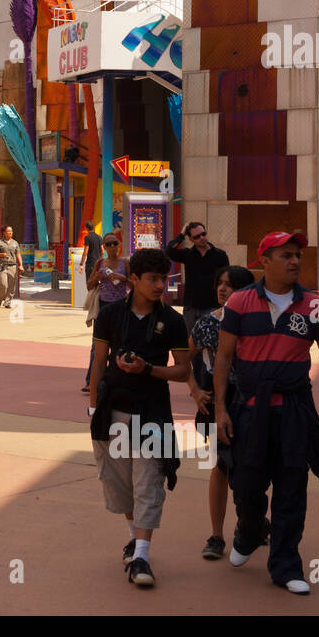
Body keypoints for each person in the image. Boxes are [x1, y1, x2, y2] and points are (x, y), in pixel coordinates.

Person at [214, 231, 319, 596]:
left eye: (297, 255)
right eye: (286, 254)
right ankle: (249, 530)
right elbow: (224, 357)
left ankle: (286, 565)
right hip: (249, 410)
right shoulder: (239, 302)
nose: (295, 261)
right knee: (246, 486)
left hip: (294, 409)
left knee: (291, 489)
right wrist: (221, 408)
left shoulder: (314, 305)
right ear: (264, 261)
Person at [85, 248, 190, 588]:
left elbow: (182, 369)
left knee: (149, 482)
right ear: (134, 280)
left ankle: (142, 556)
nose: (161, 285)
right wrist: (93, 406)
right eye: (153, 278)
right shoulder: (111, 316)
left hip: (153, 412)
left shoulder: (173, 320)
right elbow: (99, 362)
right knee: (123, 485)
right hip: (113, 408)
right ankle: (135, 538)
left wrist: (148, 369)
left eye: (165, 278)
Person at [188, 264, 256, 560]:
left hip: (254, 402)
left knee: (253, 466)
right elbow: (182, 358)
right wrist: (194, 390)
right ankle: (217, 535)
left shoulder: (257, 322)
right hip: (219, 403)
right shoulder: (207, 323)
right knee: (221, 465)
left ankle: (253, 523)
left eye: (230, 284)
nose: (222, 288)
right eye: (220, 283)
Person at [81, 233, 130, 391]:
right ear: (104, 247)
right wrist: (97, 277)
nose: (112, 247)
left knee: (120, 343)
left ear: (119, 244)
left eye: (114, 243)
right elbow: (89, 286)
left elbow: (135, 284)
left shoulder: (125, 262)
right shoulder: (100, 263)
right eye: (108, 244)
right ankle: (91, 381)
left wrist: (122, 278)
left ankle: (119, 378)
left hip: (121, 307)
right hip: (103, 307)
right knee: (97, 345)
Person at [166, 221, 229, 335]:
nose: (202, 238)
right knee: (189, 339)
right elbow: (169, 251)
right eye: (197, 236)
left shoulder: (220, 255)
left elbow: (226, 278)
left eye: (203, 234)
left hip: (211, 305)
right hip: (191, 306)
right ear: (191, 239)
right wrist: (182, 234)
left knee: (209, 339)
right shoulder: (188, 254)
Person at [0, 225, 22, 308]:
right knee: (3, 284)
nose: (10, 232)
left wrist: (21, 265)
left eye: (11, 231)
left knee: (12, 286)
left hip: (12, 266)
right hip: (2, 266)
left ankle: (7, 302)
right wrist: (2, 254)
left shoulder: (15, 243)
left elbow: (18, 254)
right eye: (9, 231)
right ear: (4, 233)